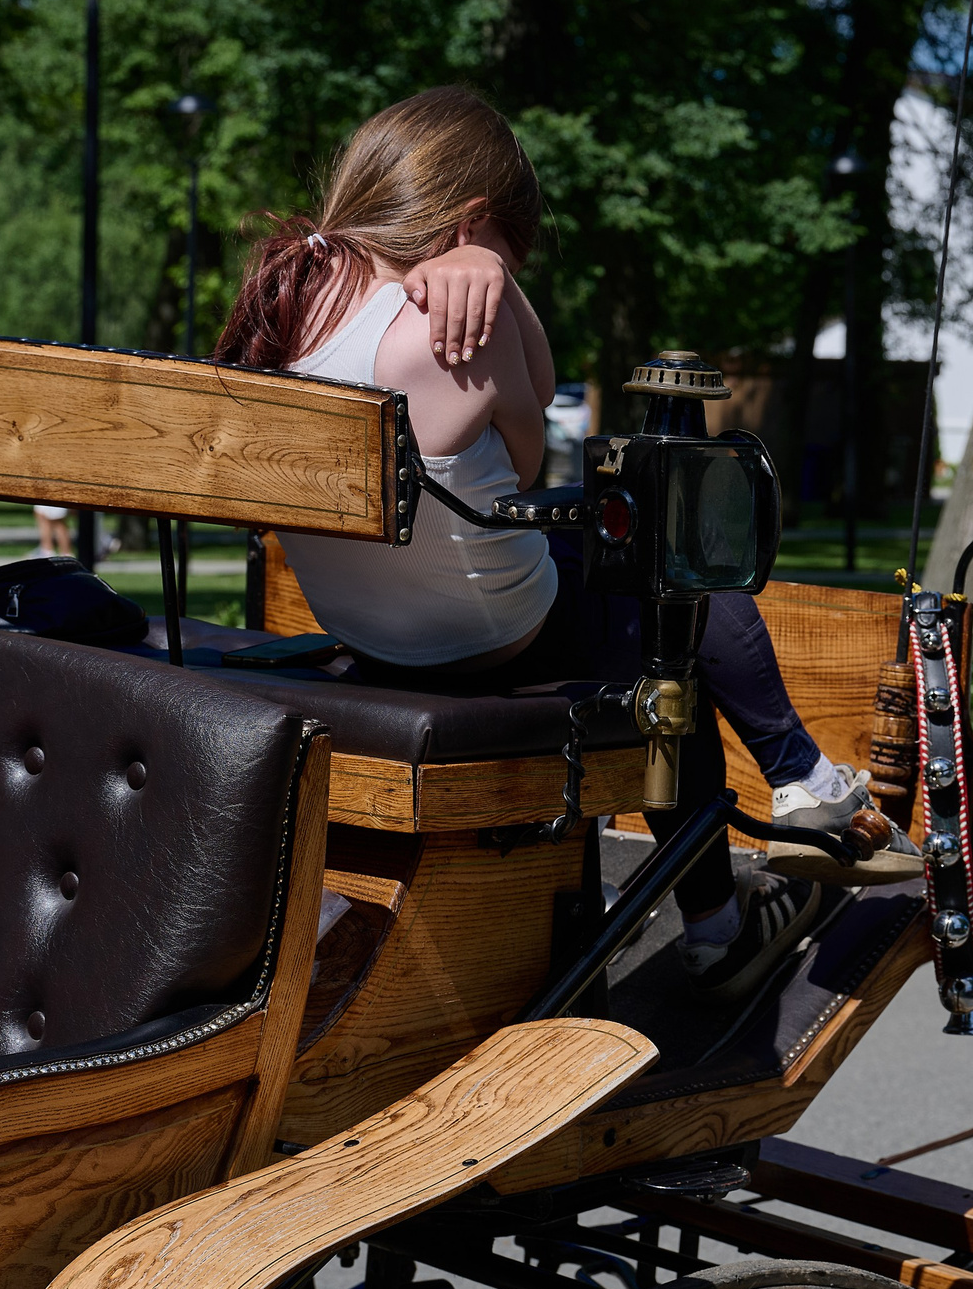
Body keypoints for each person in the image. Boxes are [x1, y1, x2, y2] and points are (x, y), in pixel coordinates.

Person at [216, 86, 911, 1002]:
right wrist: (495, 285)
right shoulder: (454, 326)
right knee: (678, 572)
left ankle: (771, 828)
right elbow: (533, 425)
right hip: (494, 629)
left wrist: (482, 261)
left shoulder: (287, 307)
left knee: (652, 618)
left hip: (375, 635)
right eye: (516, 247)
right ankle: (787, 803)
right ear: (470, 222)